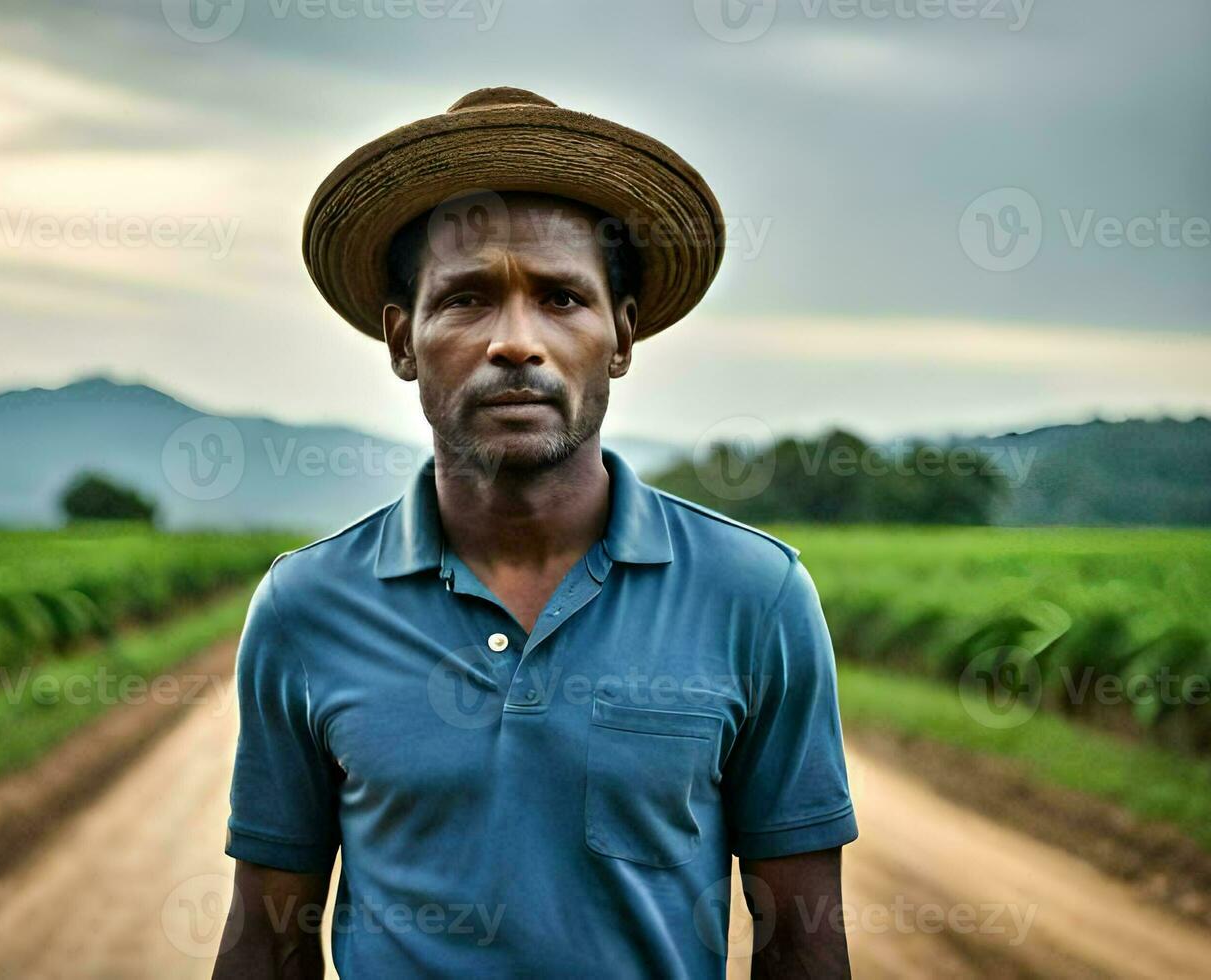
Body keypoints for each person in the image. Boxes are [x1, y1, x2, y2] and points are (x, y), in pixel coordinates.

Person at [211, 87, 857, 979]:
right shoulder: (306, 606)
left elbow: (805, 943)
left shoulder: (756, 594)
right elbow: (266, 940)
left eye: (561, 298)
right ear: (403, 341)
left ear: (622, 336)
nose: (517, 342)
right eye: (468, 300)